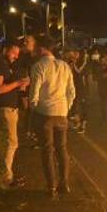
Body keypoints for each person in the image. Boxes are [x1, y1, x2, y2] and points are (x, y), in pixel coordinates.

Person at [29, 35, 75, 199]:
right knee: (62, 149)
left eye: (36, 47)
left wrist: (34, 108)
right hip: (61, 113)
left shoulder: (38, 66)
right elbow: (71, 92)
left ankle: (51, 186)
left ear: (42, 49)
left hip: (45, 114)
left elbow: (34, 93)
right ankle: (65, 183)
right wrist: (66, 108)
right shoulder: (64, 66)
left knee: (47, 150)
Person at [0, 41, 29, 188]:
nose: (15, 56)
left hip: (8, 108)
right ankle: (6, 178)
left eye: (17, 54)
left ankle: (1, 174)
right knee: (11, 143)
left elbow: (8, 86)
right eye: (13, 52)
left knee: (5, 143)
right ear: (5, 49)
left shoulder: (5, 64)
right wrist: (18, 83)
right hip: (4, 109)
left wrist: (20, 85)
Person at [17, 35, 38, 145]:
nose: (25, 43)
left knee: (35, 110)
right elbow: (21, 70)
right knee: (29, 109)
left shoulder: (38, 55)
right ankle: (30, 132)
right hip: (27, 86)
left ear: (34, 42)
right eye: (25, 41)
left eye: (28, 41)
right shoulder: (24, 56)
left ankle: (33, 132)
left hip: (38, 86)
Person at [65, 47, 89, 134]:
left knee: (83, 107)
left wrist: (74, 63)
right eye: (73, 53)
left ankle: (83, 125)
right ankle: (77, 122)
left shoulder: (83, 63)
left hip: (82, 88)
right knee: (73, 106)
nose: (74, 55)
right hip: (73, 87)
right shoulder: (70, 63)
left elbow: (79, 71)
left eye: (76, 53)